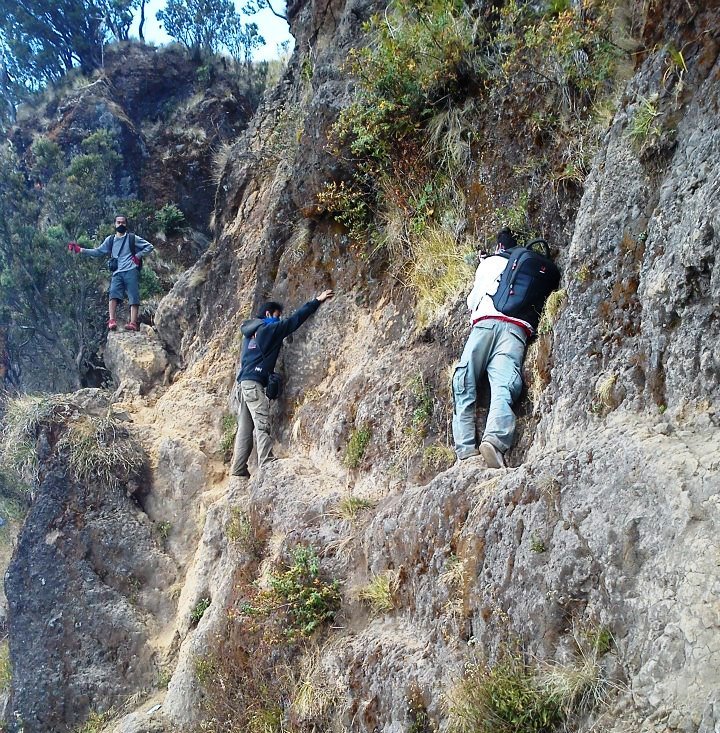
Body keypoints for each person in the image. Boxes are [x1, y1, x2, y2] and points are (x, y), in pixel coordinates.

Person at [230, 289, 334, 477]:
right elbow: (294, 321)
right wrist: (316, 301)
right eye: (277, 316)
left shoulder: (249, 333)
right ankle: (266, 462)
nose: (279, 319)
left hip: (243, 385)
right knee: (262, 422)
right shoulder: (270, 328)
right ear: (269, 314)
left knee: (245, 428)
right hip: (253, 385)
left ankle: (238, 471)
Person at [452, 228, 531, 468]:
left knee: (464, 380)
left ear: (498, 247)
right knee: (504, 385)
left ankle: (465, 451)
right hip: (517, 330)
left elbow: (472, 300)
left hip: (486, 324)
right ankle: (494, 442)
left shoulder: (490, 263)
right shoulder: (527, 269)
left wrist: (483, 265)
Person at [68, 215, 154, 331]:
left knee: (133, 296)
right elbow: (98, 251)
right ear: (115, 224)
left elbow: (149, 246)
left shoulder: (132, 238)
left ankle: (133, 323)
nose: (120, 224)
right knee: (113, 294)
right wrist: (80, 250)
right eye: (118, 222)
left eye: (123, 222)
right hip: (117, 272)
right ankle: (112, 320)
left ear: (126, 224)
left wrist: (138, 255)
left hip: (131, 270)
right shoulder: (110, 240)